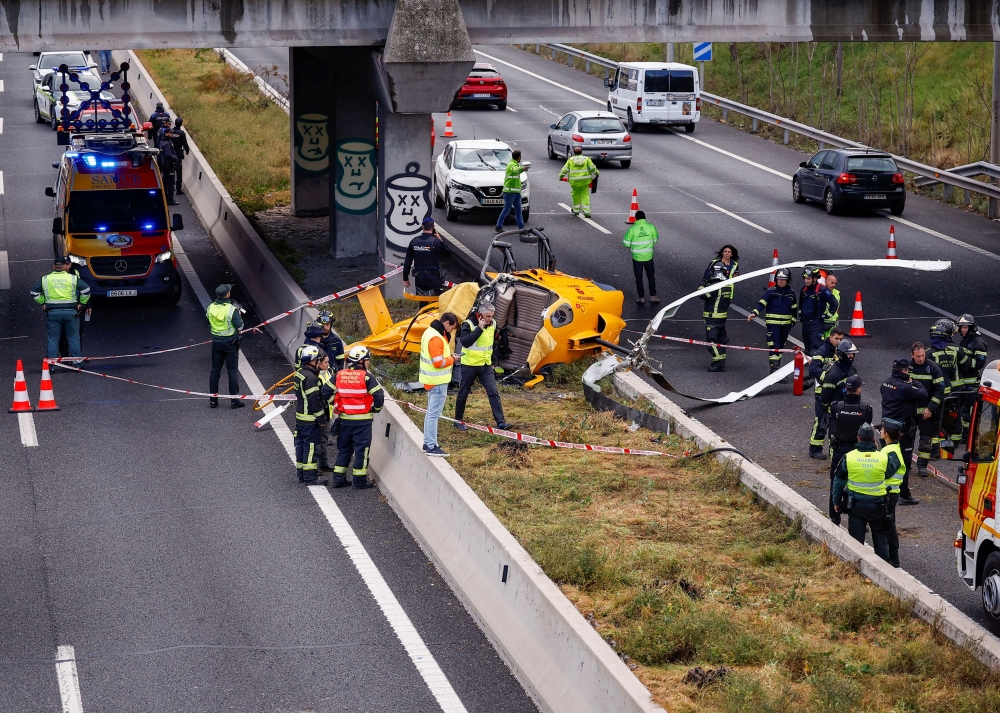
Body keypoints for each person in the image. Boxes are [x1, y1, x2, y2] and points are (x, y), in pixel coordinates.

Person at [831, 422, 891, 563]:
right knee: (881, 542)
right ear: (873, 440)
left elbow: (838, 482)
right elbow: (889, 475)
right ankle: (884, 571)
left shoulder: (849, 457)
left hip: (856, 506)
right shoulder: (883, 457)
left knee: (856, 544)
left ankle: (855, 571)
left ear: (858, 438)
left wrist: (836, 502)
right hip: (878, 506)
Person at [329, 346, 384, 489]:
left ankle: (338, 479)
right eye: (367, 360)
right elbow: (379, 396)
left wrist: (335, 403)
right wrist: (375, 409)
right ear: (361, 361)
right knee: (361, 451)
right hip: (362, 422)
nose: (368, 363)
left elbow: (325, 391)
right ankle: (359, 482)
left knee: (344, 449)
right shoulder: (366, 377)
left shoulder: (339, 375)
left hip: (345, 420)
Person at [454, 301, 511, 431]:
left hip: (485, 366)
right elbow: (465, 343)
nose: (491, 319)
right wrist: (479, 328)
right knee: (463, 393)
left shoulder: (494, 323)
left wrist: (492, 361)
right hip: (469, 365)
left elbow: (491, 344)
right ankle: (458, 420)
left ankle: (500, 422)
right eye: (488, 317)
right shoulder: (468, 324)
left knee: (493, 392)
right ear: (480, 315)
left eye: (492, 316)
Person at [880, 358, 927, 506]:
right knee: (904, 462)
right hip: (902, 430)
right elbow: (923, 393)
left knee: (886, 458)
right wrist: (914, 382)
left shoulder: (885, 383)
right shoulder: (905, 387)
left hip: (886, 427)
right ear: (904, 371)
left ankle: (883, 490)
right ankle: (904, 494)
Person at [828, 375, 873, 524]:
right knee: (860, 483)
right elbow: (867, 430)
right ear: (858, 389)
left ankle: (834, 517)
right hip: (858, 450)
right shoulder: (866, 409)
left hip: (840, 450)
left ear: (846, 389)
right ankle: (858, 518)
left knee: (836, 482)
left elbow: (832, 426)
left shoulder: (836, 406)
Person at [30, 256, 91, 361]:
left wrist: (42, 302)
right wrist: (82, 303)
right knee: (74, 338)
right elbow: (86, 290)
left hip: (52, 313)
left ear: (54, 267)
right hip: (71, 312)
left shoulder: (45, 279)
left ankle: (52, 364)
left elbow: (33, 292)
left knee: (53, 339)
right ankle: (77, 363)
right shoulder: (73, 278)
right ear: (65, 267)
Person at [420, 312, 458, 457]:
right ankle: (431, 445)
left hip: (431, 381)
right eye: (451, 328)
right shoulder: (436, 338)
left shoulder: (429, 332)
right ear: (446, 323)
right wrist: (453, 359)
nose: (451, 332)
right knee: (434, 414)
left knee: (430, 413)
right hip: (437, 382)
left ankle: (427, 442)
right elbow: (438, 362)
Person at [747, 268, 797, 375]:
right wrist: (754, 313)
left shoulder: (791, 293)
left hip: (786, 326)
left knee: (780, 346)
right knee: (774, 345)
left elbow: (794, 308)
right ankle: (774, 368)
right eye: (779, 279)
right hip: (773, 324)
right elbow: (762, 303)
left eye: (783, 279)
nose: (781, 281)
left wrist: (792, 322)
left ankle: (776, 367)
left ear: (788, 280)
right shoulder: (771, 291)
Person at [815, 339, 859, 458]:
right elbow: (826, 394)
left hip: (850, 408)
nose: (851, 356)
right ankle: (835, 462)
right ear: (841, 354)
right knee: (835, 439)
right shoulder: (833, 373)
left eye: (852, 354)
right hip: (836, 412)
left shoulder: (852, 369)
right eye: (848, 354)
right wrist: (824, 411)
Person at [293, 344, 329, 486]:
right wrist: (321, 418)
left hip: (301, 417)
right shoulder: (310, 377)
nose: (319, 362)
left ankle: (301, 474)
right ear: (312, 360)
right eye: (317, 360)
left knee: (301, 446)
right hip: (310, 419)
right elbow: (314, 399)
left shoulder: (300, 372)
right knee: (311, 448)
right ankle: (310, 477)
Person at [928, 318, 965, 457]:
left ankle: (936, 450)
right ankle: (950, 447)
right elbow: (967, 365)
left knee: (937, 422)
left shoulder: (929, 353)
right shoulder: (953, 351)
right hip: (952, 392)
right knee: (952, 418)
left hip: (937, 394)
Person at [909, 342, 945, 477]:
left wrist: (930, 408)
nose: (921, 359)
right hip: (911, 411)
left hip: (927, 412)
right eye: (918, 356)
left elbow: (940, 391)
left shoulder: (933, 368)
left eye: (923, 355)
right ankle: (906, 464)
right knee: (907, 438)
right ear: (912, 355)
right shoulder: (908, 367)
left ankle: (922, 466)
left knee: (926, 439)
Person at [807, 328, 845, 456]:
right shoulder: (822, 351)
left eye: (841, 339)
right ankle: (815, 449)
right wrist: (828, 378)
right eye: (836, 339)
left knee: (835, 421)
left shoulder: (843, 352)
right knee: (822, 420)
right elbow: (812, 369)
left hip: (836, 393)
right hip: (822, 392)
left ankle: (833, 450)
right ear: (830, 338)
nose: (839, 341)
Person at [207, 283, 245, 409]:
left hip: (216, 343)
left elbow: (209, 321)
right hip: (230, 343)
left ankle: (213, 400)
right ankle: (234, 401)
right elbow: (240, 327)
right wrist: (238, 315)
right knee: (232, 371)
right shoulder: (231, 309)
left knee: (215, 371)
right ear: (227, 294)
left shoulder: (210, 307)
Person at [879, 418, 908, 568]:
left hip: (889, 494)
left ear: (886, 433)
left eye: (882, 429)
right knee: (886, 525)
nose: (880, 431)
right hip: (888, 493)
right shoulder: (891, 448)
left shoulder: (891, 452)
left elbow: (884, 473)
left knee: (889, 526)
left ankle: (893, 560)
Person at [956, 314, 989, 438]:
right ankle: (966, 434)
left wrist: (965, 361)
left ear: (971, 327)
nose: (963, 330)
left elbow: (980, 362)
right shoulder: (966, 340)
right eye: (962, 327)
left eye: (965, 327)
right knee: (964, 408)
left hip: (972, 383)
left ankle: (968, 435)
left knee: (968, 410)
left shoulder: (977, 342)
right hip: (963, 381)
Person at [403, 218, 449, 296]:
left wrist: (405, 278)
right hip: (433, 276)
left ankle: (423, 308)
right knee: (436, 301)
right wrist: (440, 239)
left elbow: (408, 261)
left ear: (422, 227)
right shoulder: (436, 242)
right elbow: (447, 254)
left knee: (422, 300)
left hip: (419, 277)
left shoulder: (414, 241)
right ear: (433, 227)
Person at [798, 268, 838, 356]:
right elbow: (801, 302)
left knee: (815, 348)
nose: (806, 281)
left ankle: (816, 367)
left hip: (816, 324)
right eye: (805, 278)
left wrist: (827, 315)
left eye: (808, 278)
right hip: (806, 323)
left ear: (815, 278)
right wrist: (801, 314)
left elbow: (834, 302)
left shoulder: (822, 290)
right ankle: (809, 367)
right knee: (807, 348)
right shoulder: (803, 289)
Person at [700, 262, 732, 372]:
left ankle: (718, 362)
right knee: (720, 340)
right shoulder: (727, 285)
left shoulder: (715, 286)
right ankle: (721, 361)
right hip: (722, 318)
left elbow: (703, 294)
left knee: (711, 341)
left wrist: (703, 283)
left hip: (712, 318)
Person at [622, 210, 659, 305]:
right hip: (649, 257)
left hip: (637, 258)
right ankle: (653, 296)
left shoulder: (632, 229)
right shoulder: (651, 227)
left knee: (639, 278)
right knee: (651, 277)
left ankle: (641, 298)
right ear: (645, 218)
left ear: (636, 218)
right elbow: (655, 240)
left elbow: (626, 243)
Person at [559, 145, 599, 218]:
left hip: (574, 181)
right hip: (585, 181)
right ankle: (587, 212)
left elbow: (564, 169)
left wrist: (561, 177)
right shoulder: (586, 159)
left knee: (575, 195)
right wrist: (597, 173)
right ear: (581, 152)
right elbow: (593, 168)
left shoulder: (571, 160)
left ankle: (576, 210)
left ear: (574, 152)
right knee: (585, 195)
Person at [496, 148, 527, 232]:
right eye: (520, 157)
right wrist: (522, 169)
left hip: (515, 192)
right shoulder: (512, 165)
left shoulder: (514, 164)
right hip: (510, 192)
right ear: (519, 157)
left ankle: (521, 228)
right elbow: (515, 170)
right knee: (507, 209)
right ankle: (498, 226)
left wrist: (522, 169)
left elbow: (516, 172)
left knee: (518, 210)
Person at [157, 127, 179, 205]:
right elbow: (167, 154)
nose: (172, 134)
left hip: (164, 165)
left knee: (165, 182)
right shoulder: (167, 143)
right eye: (170, 133)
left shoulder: (162, 142)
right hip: (169, 165)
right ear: (166, 134)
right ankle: (170, 200)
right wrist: (175, 158)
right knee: (170, 183)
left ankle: (164, 198)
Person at [170, 117, 191, 195]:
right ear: (181, 124)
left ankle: (170, 188)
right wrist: (187, 150)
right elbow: (184, 143)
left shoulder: (171, 131)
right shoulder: (181, 133)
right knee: (179, 172)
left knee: (170, 171)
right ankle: (178, 189)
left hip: (170, 153)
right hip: (178, 154)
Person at [822, 272, 841, 339]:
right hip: (822, 322)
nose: (834, 285)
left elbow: (837, 308)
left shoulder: (836, 293)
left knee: (830, 344)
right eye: (832, 283)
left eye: (835, 283)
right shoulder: (821, 292)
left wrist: (837, 321)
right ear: (826, 282)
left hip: (832, 324)